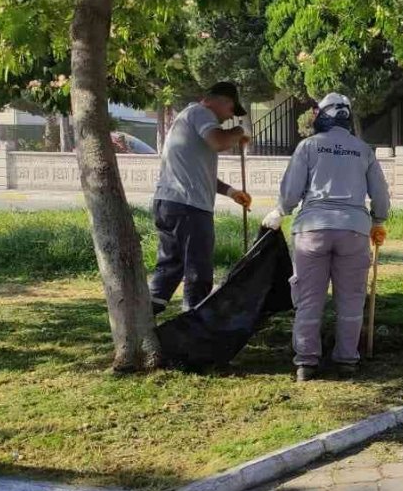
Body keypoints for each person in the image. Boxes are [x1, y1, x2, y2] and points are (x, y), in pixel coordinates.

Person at [262, 92, 390, 382]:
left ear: (321, 115)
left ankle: (306, 362)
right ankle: (346, 360)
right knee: (351, 299)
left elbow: (292, 190)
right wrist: (379, 220)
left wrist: (281, 210)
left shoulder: (308, 147)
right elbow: (380, 194)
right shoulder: (363, 150)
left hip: (312, 231)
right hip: (354, 231)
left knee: (308, 299)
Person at [149, 82, 253, 316]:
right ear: (225, 101)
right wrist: (238, 133)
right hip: (189, 208)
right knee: (198, 271)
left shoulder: (188, 118)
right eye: (230, 112)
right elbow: (219, 142)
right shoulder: (200, 113)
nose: (228, 118)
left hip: (172, 202)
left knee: (170, 267)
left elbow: (199, 175)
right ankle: (195, 323)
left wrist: (232, 192)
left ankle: (143, 321)